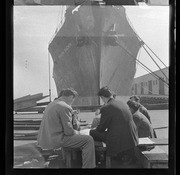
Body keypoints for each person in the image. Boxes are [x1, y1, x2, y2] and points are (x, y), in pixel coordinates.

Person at [37, 88, 96, 168]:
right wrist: (79, 132)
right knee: (88, 140)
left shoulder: (51, 104)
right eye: (73, 100)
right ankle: (89, 167)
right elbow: (69, 132)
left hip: (46, 139)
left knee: (82, 137)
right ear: (71, 97)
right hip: (57, 140)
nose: (72, 102)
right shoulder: (65, 106)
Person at [89, 86, 139, 164]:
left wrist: (92, 129)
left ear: (102, 97)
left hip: (119, 138)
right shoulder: (122, 103)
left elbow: (101, 129)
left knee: (92, 133)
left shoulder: (107, 107)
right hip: (131, 137)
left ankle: (99, 157)